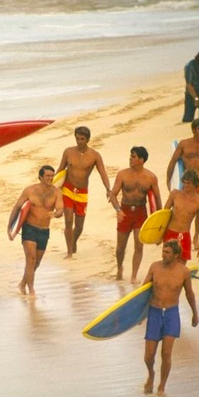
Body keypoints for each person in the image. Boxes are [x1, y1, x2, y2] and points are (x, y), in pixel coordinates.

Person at [142, 240, 199, 396]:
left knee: (166, 353)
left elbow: (189, 294)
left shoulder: (184, 272)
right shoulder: (155, 267)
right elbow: (142, 292)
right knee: (148, 356)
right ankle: (151, 374)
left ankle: (161, 386)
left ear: (175, 255)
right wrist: (139, 316)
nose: (163, 255)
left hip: (171, 314)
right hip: (154, 312)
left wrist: (195, 313)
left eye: (167, 252)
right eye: (163, 251)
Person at [55, 126, 112, 258]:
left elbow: (103, 173)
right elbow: (60, 170)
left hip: (82, 192)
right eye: (77, 138)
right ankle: (69, 252)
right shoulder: (68, 152)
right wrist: (53, 187)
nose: (79, 141)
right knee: (68, 221)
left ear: (87, 139)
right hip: (67, 189)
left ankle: (73, 241)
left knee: (79, 226)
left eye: (82, 139)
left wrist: (108, 189)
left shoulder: (95, 156)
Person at [8, 165, 64, 296]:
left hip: (44, 231)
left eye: (52, 176)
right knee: (31, 259)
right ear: (40, 177)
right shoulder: (30, 191)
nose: (50, 178)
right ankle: (31, 289)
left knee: (36, 262)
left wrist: (57, 214)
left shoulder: (56, 192)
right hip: (29, 228)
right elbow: (17, 207)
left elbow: (60, 209)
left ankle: (22, 283)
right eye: (47, 176)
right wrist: (10, 227)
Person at [108, 146, 161, 283]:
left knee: (139, 245)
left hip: (140, 212)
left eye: (133, 157)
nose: (130, 159)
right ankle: (120, 268)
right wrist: (118, 210)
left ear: (141, 160)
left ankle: (133, 276)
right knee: (120, 247)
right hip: (124, 211)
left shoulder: (151, 177)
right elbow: (112, 194)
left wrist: (159, 219)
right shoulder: (122, 174)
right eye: (130, 156)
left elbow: (157, 198)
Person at [166, 118, 199, 249]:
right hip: (185, 179)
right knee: (178, 207)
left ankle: (196, 237)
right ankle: (174, 233)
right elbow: (173, 161)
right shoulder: (184, 144)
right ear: (193, 130)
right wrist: (168, 179)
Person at [162, 169, 199, 264]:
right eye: (184, 182)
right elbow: (163, 215)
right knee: (168, 264)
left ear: (195, 184)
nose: (185, 185)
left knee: (180, 268)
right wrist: (158, 235)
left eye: (188, 183)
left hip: (184, 235)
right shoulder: (175, 194)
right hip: (170, 233)